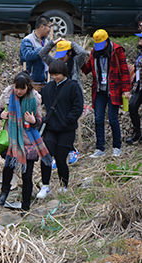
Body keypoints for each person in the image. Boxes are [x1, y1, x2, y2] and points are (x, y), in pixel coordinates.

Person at [0, 72, 52, 211]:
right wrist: (0, 114)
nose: (19, 91)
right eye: (16, 87)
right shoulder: (8, 93)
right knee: (8, 168)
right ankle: (4, 193)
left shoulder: (35, 98)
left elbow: (39, 120)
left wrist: (34, 121)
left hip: (29, 139)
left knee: (27, 174)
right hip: (12, 137)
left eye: (22, 88)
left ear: (28, 87)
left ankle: (26, 206)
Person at [81, 29, 131, 158]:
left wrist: (126, 89)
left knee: (113, 118)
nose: (99, 48)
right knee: (98, 119)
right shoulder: (94, 52)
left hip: (113, 89)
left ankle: (117, 146)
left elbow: (124, 71)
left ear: (107, 41)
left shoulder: (117, 51)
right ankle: (100, 148)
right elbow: (86, 69)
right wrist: (78, 58)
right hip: (99, 91)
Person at [37, 60, 83, 198]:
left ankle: (64, 186)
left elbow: (78, 107)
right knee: (46, 156)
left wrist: (68, 120)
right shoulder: (47, 88)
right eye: (53, 74)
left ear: (64, 73)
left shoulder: (73, 86)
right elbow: (37, 101)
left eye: (58, 74)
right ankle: (45, 186)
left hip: (67, 129)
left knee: (61, 157)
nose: (55, 77)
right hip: (51, 129)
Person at [39, 38, 88, 164]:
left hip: (72, 97)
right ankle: (57, 155)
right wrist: (53, 43)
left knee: (70, 125)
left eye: (64, 55)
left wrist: (71, 43)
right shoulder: (55, 63)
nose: (61, 58)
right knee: (56, 125)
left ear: (70, 53)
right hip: (58, 98)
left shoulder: (75, 61)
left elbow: (82, 53)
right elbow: (43, 54)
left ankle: (71, 150)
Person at [20, 15, 52, 92]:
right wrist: (45, 49)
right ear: (42, 26)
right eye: (49, 27)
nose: (50, 30)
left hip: (46, 81)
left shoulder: (46, 41)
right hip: (33, 82)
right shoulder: (28, 40)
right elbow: (28, 56)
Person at [127, 34, 142, 145]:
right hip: (138, 86)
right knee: (132, 106)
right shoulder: (140, 53)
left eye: (141, 38)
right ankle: (137, 133)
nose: (139, 40)